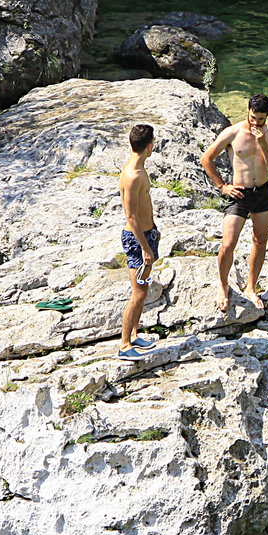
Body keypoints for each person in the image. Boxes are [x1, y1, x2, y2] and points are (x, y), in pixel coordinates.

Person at [202, 94, 268, 313]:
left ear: (267, 116)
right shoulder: (232, 133)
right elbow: (206, 158)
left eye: (261, 119)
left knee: (260, 240)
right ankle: (223, 285)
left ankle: (251, 288)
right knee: (228, 243)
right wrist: (221, 186)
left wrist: (262, 142)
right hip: (239, 193)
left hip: (263, 192)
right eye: (253, 117)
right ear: (248, 110)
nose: (256, 122)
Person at [117, 123, 160, 359]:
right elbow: (131, 216)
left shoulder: (139, 168)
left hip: (148, 235)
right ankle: (124, 346)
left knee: (142, 289)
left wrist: (154, 231)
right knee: (139, 292)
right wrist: (144, 246)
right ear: (150, 145)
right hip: (137, 241)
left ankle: (134, 334)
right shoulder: (132, 175)